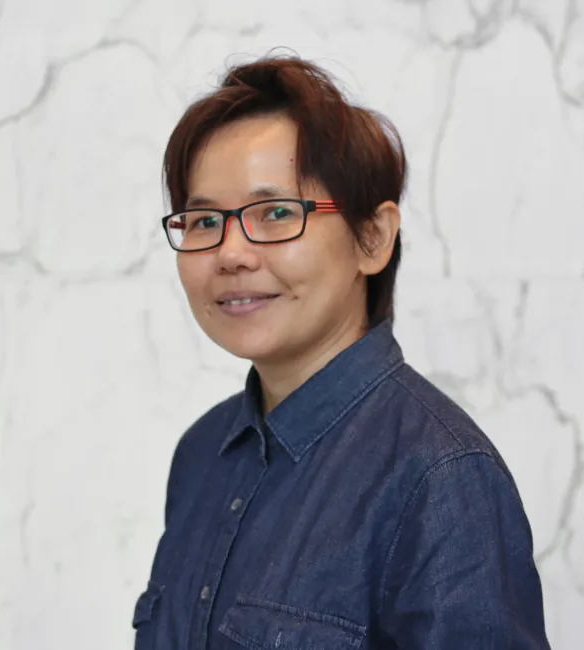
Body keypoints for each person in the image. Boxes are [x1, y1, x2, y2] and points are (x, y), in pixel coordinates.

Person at [133, 54, 550, 650]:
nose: (230, 253)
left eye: (275, 213)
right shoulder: (202, 454)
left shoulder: (440, 477)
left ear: (372, 238)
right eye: (203, 221)